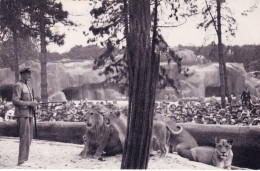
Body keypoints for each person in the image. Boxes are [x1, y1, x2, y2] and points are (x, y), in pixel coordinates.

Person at [12, 67, 38, 166]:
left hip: (30, 114)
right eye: (28, 74)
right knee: (24, 137)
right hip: (22, 115)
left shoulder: (28, 87)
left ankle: (25, 159)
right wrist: (30, 103)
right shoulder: (18, 86)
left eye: (30, 74)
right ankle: (21, 160)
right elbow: (15, 100)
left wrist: (34, 105)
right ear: (22, 74)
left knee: (29, 137)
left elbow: (31, 102)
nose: (29, 76)